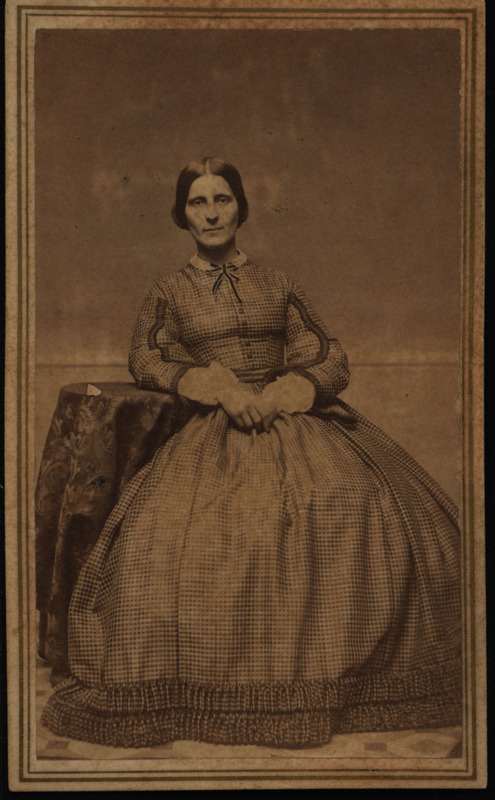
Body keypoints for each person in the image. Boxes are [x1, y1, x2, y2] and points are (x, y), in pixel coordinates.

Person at [42, 157, 461, 748]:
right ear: (181, 214)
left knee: (348, 500)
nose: (211, 213)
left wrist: (292, 391)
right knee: (178, 535)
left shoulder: (279, 283)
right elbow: (148, 356)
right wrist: (215, 387)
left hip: (295, 419)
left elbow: (328, 353)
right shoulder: (169, 290)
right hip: (215, 429)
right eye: (197, 202)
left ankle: (328, 674)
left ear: (240, 207)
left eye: (222, 200)